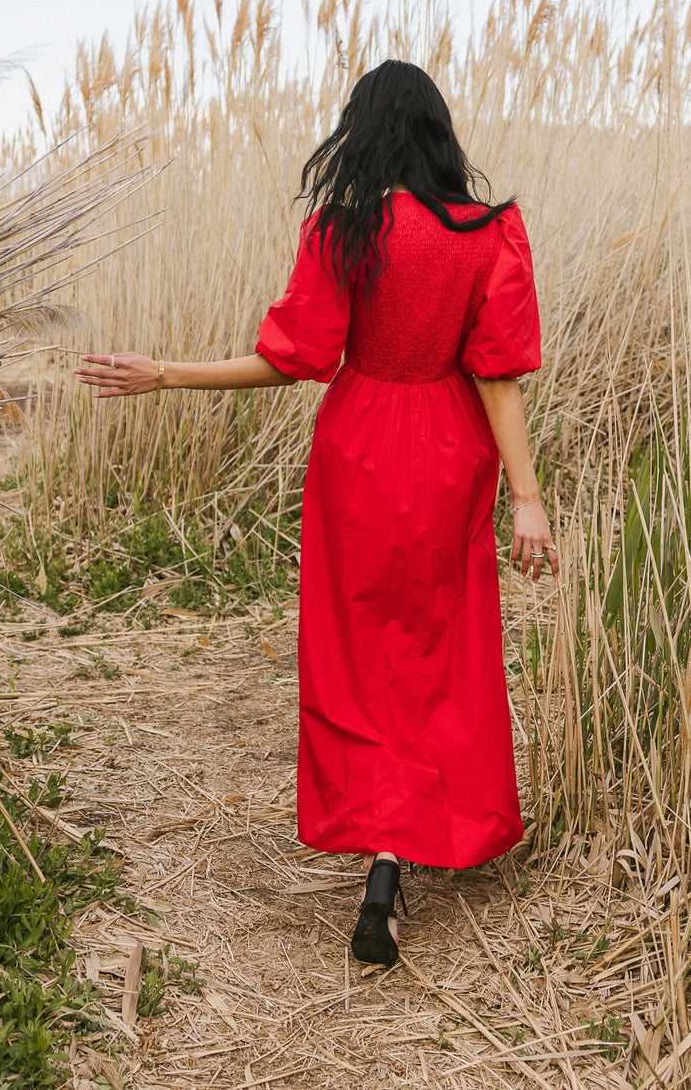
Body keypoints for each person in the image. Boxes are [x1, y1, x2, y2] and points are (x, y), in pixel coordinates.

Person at [75, 59, 558, 968]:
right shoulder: (491, 233)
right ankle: (402, 853)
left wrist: (165, 375)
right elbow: (496, 372)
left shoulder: (344, 231)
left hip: (359, 450)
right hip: (452, 453)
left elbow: (293, 360)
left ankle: (379, 854)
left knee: (359, 650)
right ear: (440, 133)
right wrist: (527, 501)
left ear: (363, 132)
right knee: (438, 650)